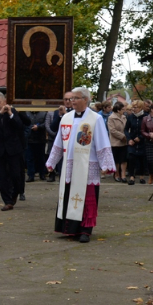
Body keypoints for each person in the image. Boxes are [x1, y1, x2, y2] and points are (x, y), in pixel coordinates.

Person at [45, 86, 116, 243]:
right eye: (71, 99)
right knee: (71, 195)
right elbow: (58, 142)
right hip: (69, 165)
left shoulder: (95, 119)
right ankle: (70, 228)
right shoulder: (66, 118)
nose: (72, 101)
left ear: (85, 99)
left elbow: (102, 143)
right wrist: (51, 161)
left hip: (88, 165)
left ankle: (85, 230)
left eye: (75, 98)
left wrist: (107, 165)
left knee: (86, 197)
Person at [0, 91, 28, 210]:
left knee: (16, 174)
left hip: (13, 149)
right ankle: (7, 201)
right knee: (2, 177)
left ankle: (15, 194)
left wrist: (10, 113)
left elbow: (19, 125)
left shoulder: (13, 112)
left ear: (4, 101)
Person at [45, 93, 73, 181]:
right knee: (61, 167)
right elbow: (53, 127)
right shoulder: (57, 112)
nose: (68, 102)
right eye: (66, 99)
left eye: (70, 99)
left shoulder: (75, 111)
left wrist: (66, 114)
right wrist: (60, 115)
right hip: (60, 142)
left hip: (71, 143)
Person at [25, 107, 47, 185]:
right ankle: (30, 175)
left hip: (40, 139)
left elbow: (46, 124)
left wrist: (39, 127)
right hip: (29, 139)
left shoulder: (44, 112)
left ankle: (42, 174)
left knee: (41, 158)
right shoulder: (26, 112)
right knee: (29, 158)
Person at [124, 101, 144, 185]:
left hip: (142, 141)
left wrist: (140, 137)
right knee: (131, 157)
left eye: (135, 107)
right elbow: (126, 129)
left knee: (142, 159)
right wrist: (129, 139)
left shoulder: (145, 117)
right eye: (133, 107)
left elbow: (147, 130)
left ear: (140, 108)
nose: (133, 109)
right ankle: (132, 176)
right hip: (132, 141)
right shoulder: (130, 117)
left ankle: (141, 176)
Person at [107, 101, 128, 181]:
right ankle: (116, 174)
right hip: (115, 141)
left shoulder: (124, 117)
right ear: (118, 110)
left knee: (124, 159)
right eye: (123, 109)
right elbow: (112, 130)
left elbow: (127, 127)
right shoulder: (111, 118)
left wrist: (127, 136)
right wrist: (122, 136)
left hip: (124, 141)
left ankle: (123, 175)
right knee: (116, 159)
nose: (124, 110)